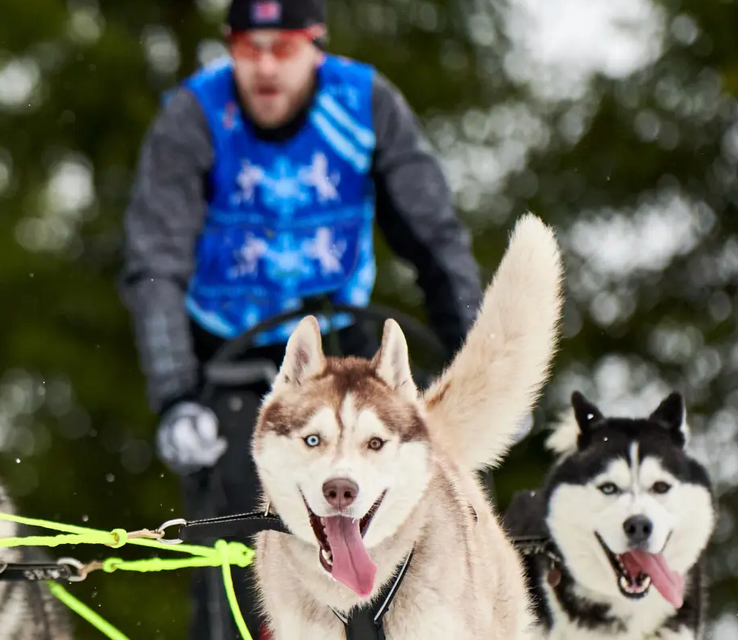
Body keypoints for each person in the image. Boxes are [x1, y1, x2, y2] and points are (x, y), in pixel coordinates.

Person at [116, 0, 489, 637]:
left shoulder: (365, 104)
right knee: (238, 554)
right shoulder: (197, 114)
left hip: (352, 357)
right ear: (228, 46)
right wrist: (177, 395)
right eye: (247, 47)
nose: (264, 66)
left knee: (404, 528)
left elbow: (435, 241)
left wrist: (475, 363)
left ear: (315, 45)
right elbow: (155, 263)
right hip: (230, 366)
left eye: (282, 47)